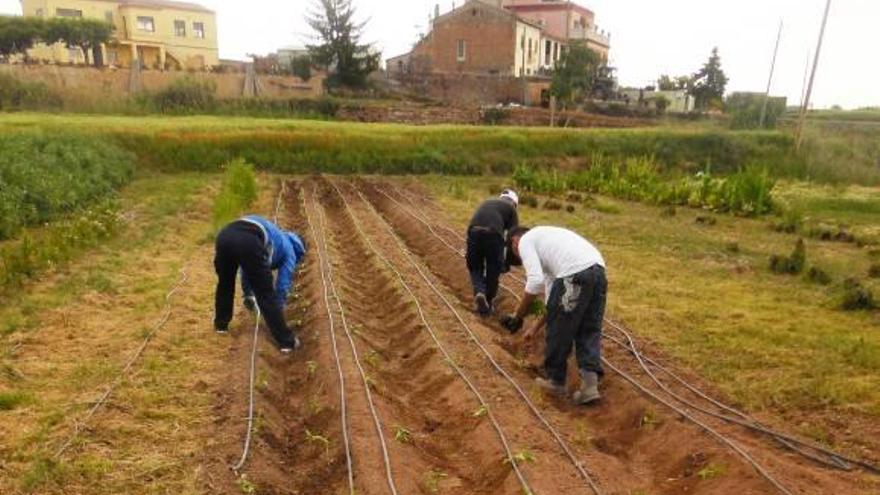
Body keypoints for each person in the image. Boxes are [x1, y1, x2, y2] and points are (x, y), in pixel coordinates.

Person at [500, 226, 607, 405]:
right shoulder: (552, 252)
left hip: (575, 274)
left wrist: (517, 316)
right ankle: (590, 385)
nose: (522, 259)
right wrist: (534, 328)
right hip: (598, 271)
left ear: (514, 242)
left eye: (517, 255)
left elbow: (534, 282)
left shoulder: (526, 240)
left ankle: (556, 381)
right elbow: (553, 305)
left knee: (559, 329)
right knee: (588, 329)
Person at [214, 215, 305, 353]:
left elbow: (248, 266)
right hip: (249, 240)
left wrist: (248, 293)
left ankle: (221, 325)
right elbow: (282, 284)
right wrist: (278, 309)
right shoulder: (290, 250)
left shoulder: (277, 235)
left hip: (225, 235)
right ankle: (287, 342)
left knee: (225, 284)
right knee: (266, 294)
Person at [466, 189, 519, 316]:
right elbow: (513, 237)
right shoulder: (511, 209)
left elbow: (474, 221)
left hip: (473, 232)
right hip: (493, 234)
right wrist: (506, 263)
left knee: (475, 267)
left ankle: (480, 292)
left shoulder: (487, 202)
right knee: (493, 271)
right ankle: (487, 304)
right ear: (515, 204)